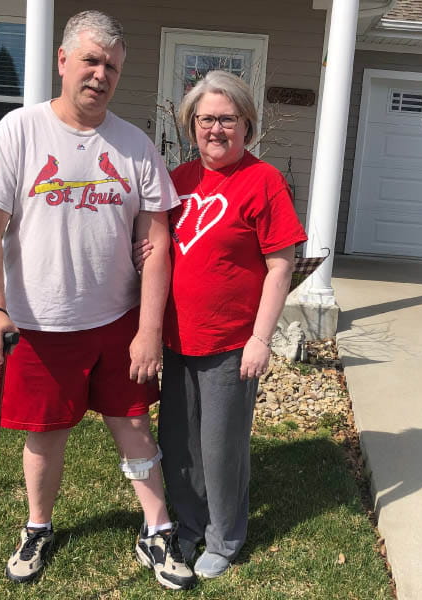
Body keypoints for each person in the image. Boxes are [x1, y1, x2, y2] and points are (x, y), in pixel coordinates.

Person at [0, 10, 196, 591]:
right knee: (44, 433)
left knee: (135, 425)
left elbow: (156, 241)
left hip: (116, 319)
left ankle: (157, 529)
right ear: (62, 61)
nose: (101, 74)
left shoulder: (136, 145)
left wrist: (147, 330)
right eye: (90, 60)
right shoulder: (19, 131)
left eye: (112, 66)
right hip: (40, 324)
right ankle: (37, 526)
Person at [144, 70, 308, 578]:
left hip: (232, 341)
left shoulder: (264, 182)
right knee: (179, 442)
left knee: (221, 446)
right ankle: (189, 527)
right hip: (177, 338)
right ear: (192, 124)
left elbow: (281, 265)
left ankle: (225, 536)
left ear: (247, 125)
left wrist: (261, 339)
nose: (216, 129)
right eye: (206, 119)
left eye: (228, 119)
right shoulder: (180, 180)